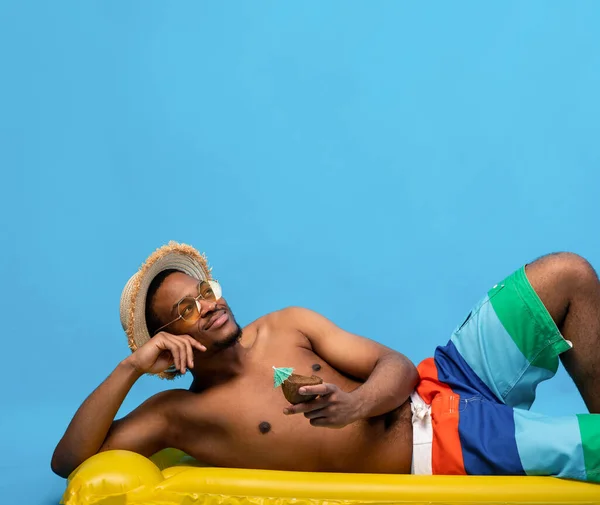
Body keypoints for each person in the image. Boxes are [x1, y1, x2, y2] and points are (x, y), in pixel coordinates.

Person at [51, 242, 600, 483]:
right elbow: (70, 461)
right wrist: (131, 368)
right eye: (186, 310)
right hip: (442, 446)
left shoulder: (287, 323)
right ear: (170, 343)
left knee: (565, 274)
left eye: (205, 291)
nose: (210, 306)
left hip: (444, 380)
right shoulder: (179, 415)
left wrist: (354, 404)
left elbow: (396, 365)